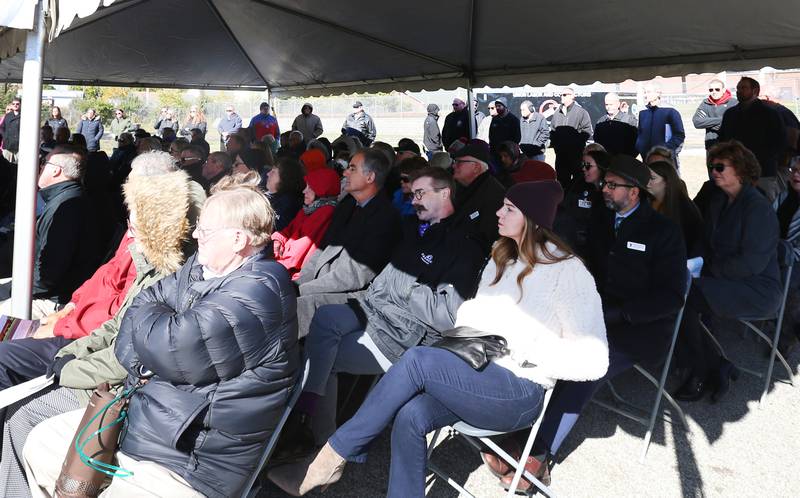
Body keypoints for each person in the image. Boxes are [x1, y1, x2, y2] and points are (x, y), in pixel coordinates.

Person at [268, 180, 610, 497]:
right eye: (501, 206)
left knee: (418, 360)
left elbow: (594, 361)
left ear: (533, 219)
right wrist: (485, 324)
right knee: (411, 414)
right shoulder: (501, 257)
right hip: (479, 369)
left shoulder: (568, 272)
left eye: (509, 209)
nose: (497, 213)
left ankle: (331, 458)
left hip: (520, 390)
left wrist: (525, 348)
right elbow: (469, 315)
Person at [25, 174, 297, 498]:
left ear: (238, 240)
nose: (195, 234)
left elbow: (169, 347)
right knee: (41, 443)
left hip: (188, 461)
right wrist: (152, 334)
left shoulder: (257, 293)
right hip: (152, 423)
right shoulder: (208, 264)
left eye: (205, 230)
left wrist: (151, 334)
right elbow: (144, 304)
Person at [0, 153, 199, 497]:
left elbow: (128, 354)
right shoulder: (147, 260)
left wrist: (67, 363)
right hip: (82, 338)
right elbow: (114, 322)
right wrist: (72, 344)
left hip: (108, 376)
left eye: (136, 208)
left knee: (18, 414)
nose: (129, 217)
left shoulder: (167, 278)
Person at [497, 155, 686, 490]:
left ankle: (540, 454)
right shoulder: (601, 220)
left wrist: (623, 314)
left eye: (613, 186)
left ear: (635, 193)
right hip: (591, 313)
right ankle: (514, 427)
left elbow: (672, 297)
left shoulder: (663, 232)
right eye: (605, 184)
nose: (604, 190)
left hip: (637, 329)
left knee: (582, 370)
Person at [273, 166, 487, 462]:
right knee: (322, 319)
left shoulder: (462, 247)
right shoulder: (413, 228)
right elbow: (383, 282)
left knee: (321, 358)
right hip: (374, 311)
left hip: (403, 334)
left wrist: (406, 289)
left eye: (421, 194)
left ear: (445, 193)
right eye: (412, 194)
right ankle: (313, 431)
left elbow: (447, 315)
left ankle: (320, 440)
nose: (413, 200)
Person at [674, 141, 781, 402]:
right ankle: (716, 364)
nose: (714, 171)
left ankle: (700, 369)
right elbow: (703, 240)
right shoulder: (719, 201)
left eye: (721, 166)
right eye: (712, 166)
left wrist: (705, 271)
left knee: (683, 298)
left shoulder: (758, 208)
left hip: (756, 288)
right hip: (723, 280)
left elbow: (750, 264)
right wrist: (694, 262)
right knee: (678, 291)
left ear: (741, 171)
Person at [294, 149, 402, 337]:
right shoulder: (347, 206)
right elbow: (322, 249)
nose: (344, 173)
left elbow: (356, 275)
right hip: (320, 283)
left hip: (356, 294)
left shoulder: (386, 218)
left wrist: (302, 290)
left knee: (293, 308)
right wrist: (299, 283)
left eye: (352, 169)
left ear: (370, 177)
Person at [0, 147, 103, 317]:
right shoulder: (66, 197)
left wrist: (15, 288)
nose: (39, 167)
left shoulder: (67, 207)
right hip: (45, 288)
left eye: (43, 162)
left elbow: (47, 277)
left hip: (53, 300)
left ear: (56, 170)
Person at [718, 77, 786, 201]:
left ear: (755, 91)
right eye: (738, 88)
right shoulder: (730, 114)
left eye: (743, 88)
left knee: (766, 204)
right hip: (735, 170)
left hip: (763, 170)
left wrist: (768, 158)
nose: (739, 91)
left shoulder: (769, 113)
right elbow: (722, 139)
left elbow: (780, 140)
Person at [272, 167, 341, 279]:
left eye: (310, 187)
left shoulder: (325, 212)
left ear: (321, 189)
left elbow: (298, 253)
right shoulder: (309, 209)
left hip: (291, 273)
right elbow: (288, 230)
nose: (304, 191)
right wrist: (278, 240)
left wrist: (272, 264)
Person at [451, 142, 506, 250]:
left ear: (476, 167)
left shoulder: (494, 195)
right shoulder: (464, 187)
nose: (453, 165)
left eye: (459, 162)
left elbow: (488, 238)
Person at [647, 160, 704, 257]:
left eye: (652, 178)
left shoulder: (684, 208)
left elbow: (690, 242)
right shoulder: (646, 201)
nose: (647, 182)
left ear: (666, 181)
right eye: (646, 177)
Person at [557, 149, 609, 256]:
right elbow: (564, 208)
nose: (584, 169)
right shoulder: (578, 183)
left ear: (601, 166)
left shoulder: (611, 192)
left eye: (588, 165)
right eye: (583, 165)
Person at [774, 159, 800, 354]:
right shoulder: (783, 197)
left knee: (788, 283)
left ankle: (786, 336)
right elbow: (767, 224)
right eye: (794, 170)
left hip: (796, 259)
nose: (796, 175)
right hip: (776, 254)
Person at [635, 83, 685, 166]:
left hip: (666, 160)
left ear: (658, 93)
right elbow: (640, 134)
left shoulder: (670, 111)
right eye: (644, 92)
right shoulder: (642, 113)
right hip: (647, 160)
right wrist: (640, 147)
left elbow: (679, 135)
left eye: (648, 92)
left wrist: (665, 150)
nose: (645, 95)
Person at [692, 79, 738, 150]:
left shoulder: (733, 103)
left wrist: (709, 124)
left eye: (717, 89)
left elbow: (736, 122)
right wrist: (722, 120)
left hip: (730, 146)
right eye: (711, 90)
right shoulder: (705, 103)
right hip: (711, 146)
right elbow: (697, 122)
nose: (714, 92)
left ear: (723, 90)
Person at [266, 157, 306, 232]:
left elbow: (274, 230)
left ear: (285, 178)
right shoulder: (275, 197)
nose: (268, 174)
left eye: (273, 172)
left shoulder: (288, 204)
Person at [0, 98, 20, 163]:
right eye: (13, 104)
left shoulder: (24, 116)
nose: (15, 105)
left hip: (19, 146)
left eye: (17, 104)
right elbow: (2, 128)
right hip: (8, 145)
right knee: (5, 166)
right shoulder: (8, 116)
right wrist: (5, 136)